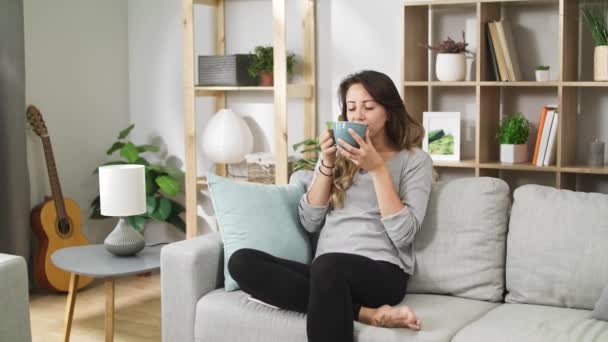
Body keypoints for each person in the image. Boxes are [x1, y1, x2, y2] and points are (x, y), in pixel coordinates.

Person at [228, 70, 433, 342]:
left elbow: (404, 234)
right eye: (351, 108)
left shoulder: (414, 161)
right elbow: (310, 221)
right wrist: (326, 161)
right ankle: (365, 313)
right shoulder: (337, 155)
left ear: (389, 111)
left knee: (328, 265)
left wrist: (377, 169)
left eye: (368, 107)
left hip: (382, 273)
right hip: (326, 274)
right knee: (242, 262)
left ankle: (361, 305)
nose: (358, 116)